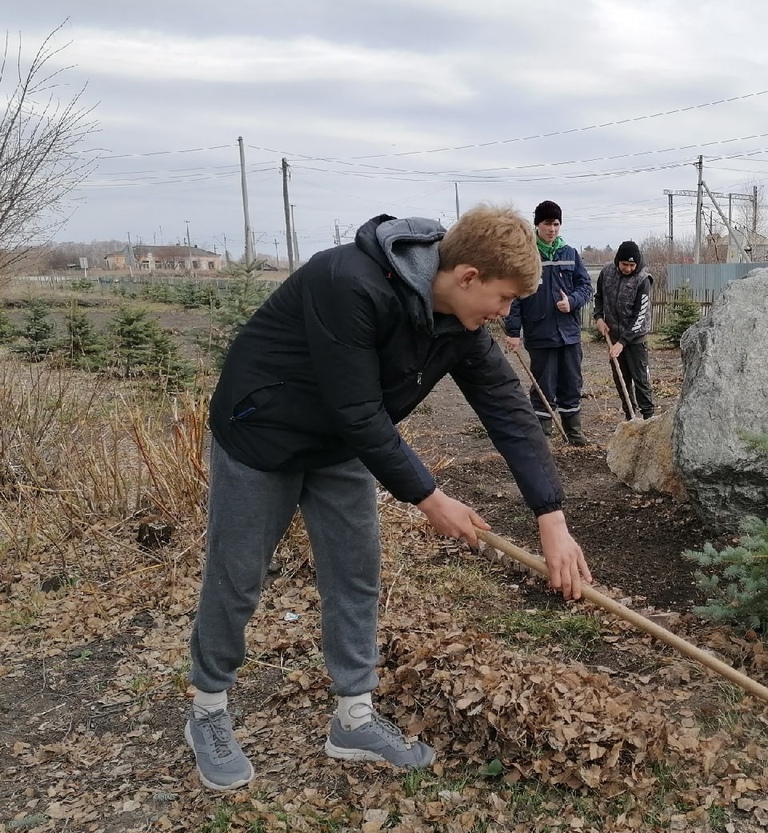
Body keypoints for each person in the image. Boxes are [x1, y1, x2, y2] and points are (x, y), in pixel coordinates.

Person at [185, 205, 593, 791]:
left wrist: (550, 516)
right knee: (239, 574)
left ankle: (353, 718)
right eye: (503, 299)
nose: (506, 315)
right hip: (261, 435)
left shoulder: (462, 323)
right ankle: (207, 708)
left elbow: (508, 409)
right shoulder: (349, 282)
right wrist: (430, 497)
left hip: (339, 447)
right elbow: (357, 410)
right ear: (468, 275)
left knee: (355, 574)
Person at [502, 201, 593, 445]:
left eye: (555, 224)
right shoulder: (526, 255)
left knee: (572, 382)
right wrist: (513, 331)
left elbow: (585, 287)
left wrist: (572, 302)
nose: (551, 229)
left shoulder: (570, 254)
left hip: (569, 333)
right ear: (537, 225)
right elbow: (514, 294)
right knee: (544, 384)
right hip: (540, 332)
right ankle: (543, 435)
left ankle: (573, 433)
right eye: (546, 224)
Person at [593, 240, 655, 420]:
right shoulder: (606, 272)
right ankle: (630, 417)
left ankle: (648, 418)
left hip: (636, 339)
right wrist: (598, 317)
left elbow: (640, 315)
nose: (628, 268)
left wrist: (623, 342)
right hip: (613, 335)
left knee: (641, 380)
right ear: (617, 261)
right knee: (621, 381)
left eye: (632, 265)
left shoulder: (643, 279)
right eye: (624, 264)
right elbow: (599, 297)